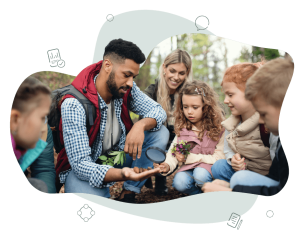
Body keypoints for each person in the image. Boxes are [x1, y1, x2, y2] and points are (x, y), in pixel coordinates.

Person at [55, 38, 168, 202]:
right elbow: (80, 165)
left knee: (160, 132)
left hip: (120, 154)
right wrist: (123, 173)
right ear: (107, 66)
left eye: (134, 77)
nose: (130, 83)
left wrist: (140, 125)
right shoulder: (74, 104)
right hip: (87, 167)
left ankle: (129, 192)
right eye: (127, 75)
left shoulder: (125, 87)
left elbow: (158, 111)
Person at [202, 55, 293, 195]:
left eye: (230, 95)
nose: (261, 121)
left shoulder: (271, 132)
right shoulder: (232, 123)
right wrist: (233, 161)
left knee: (239, 179)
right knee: (221, 168)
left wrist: (231, 191)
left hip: (260, 173)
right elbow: (277, 177)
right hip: (258, 174)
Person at [153, 80, 226, 195]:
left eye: (195, 107)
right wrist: (167, 165)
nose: (189, 112)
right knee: (179, 182)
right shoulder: (183, 129)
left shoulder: (218, 128)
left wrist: (190, 157)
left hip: (211, 170)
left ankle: (215, 194)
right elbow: (174, 153)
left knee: (200, 174)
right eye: (185, 107)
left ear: (206, 107)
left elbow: (221, 156)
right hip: (189, 169)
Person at [140, 49, 193, 195]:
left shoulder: (189, 93)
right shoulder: (151, 92)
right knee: (159, 132)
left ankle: (189, 178)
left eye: (181, 73)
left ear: (187, 73)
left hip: (178, 142)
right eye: (172, 71)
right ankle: (150, 174)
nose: (176, 77)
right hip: (155, 142)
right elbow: (142, 121)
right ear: (164, 68)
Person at [10, 76, 53, 193]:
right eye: (41, 117)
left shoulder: (41, 130)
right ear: (15, 120)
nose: (43, 128)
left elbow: (44, 168)